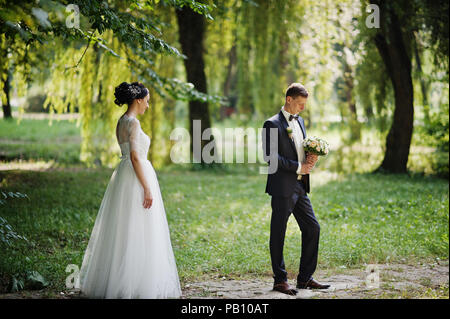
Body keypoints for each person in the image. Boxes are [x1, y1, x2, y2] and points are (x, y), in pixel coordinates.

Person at [78, 81, 181, 299]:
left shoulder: (120, 122)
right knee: (138, 227)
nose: (148, 105)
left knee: (123, 227)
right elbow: (135, 157)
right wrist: (147, 188)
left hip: (123, 175)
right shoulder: (133, 124)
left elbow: (127, 155)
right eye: (147, 101)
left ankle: (118, 279)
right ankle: (137, 284)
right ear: (138, 100)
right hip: (135, 175)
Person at [262, 82, 330, 295]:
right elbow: (270, 157)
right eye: (299, 103)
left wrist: (311, 158)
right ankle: (280, 281)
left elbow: (299, 149)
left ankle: (305, 278)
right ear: (288, 99)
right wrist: (299, 166)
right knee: (279, 233)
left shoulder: (300, 121)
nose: (302, 108)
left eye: (304, 104)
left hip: (301, 187)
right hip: (282, 187)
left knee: (313, 228)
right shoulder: (271, 124)